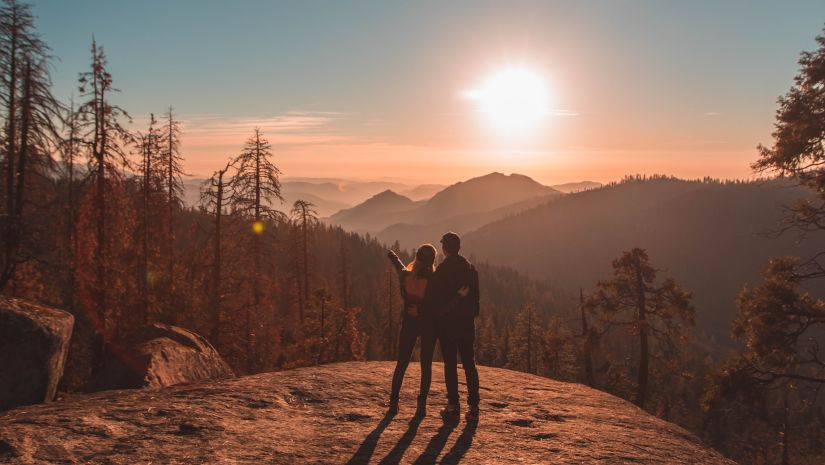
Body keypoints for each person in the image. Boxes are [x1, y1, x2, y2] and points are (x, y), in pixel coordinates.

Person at [431, 231, 481, 422]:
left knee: (450, 365)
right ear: (459, 248)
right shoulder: (470, 269)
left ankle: (453, 407)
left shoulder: (442, 271)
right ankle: (474, 407)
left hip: (448, 327)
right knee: (469, 365)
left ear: (444, 249)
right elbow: (476, 300)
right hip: (467, 325)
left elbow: (439, 307)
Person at [386, 245, 439, 416]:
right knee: (426, 365)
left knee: (402, 363)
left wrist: (393, 256)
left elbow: (399, 266)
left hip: (409, 323)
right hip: (428, 325)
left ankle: (394, 402)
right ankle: (421, 405)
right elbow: (434, 305)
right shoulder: (434, 279)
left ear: (417, 258)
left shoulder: (406, 276)